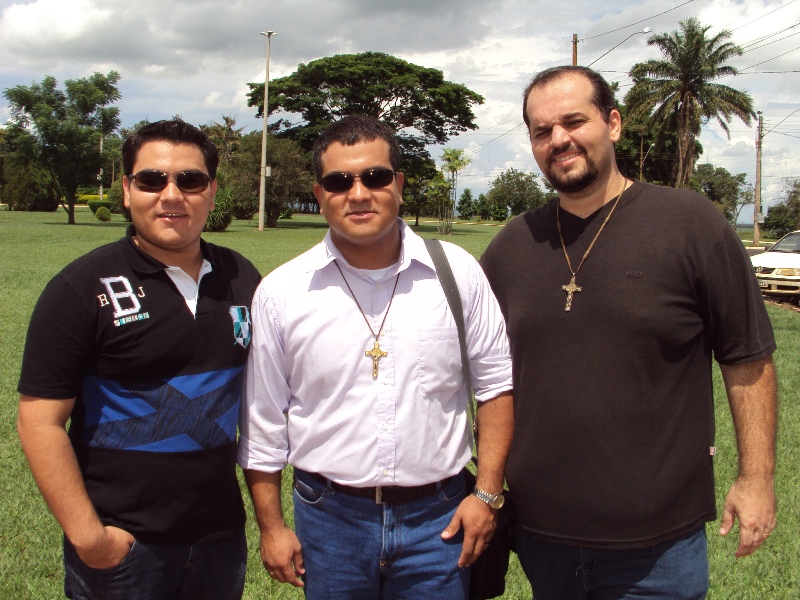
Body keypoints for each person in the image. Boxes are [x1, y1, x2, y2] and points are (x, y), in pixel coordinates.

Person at [480, 66, 778, 599]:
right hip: (543, 538)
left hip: (658, 544)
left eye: (574, 121)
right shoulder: (510, 248)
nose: (559, 140)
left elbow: (747, 358)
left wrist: (756, 479)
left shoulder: (690, 225)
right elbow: (483, 379)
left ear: (612, 123)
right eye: (541, 131)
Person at [238, 114, 514, 598]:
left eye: (376, 176)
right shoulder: (282, 292)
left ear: (399, 184)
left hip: (440, 519)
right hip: (328, 520)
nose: (359, 193)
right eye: (339, 181)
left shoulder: (457, 272)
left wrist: (487, 495)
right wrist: (271, 526)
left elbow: (495, 387)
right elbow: (263, 421)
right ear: (320, 193)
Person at [17, 118, 261, 600]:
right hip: (125, 548)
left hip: (220, 539)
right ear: (127, 190)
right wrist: (91, 538)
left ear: (211, 192)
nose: (172, 194)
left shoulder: (241, 277)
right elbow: (39, 422)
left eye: (190, 180)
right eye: (152, 180)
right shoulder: (80, 288)